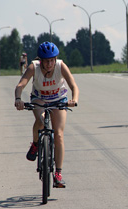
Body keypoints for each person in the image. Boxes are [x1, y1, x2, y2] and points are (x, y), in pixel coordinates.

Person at [14, 41, 79, 188]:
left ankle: (58, 174)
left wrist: (74, 100)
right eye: (46, 61)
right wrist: (18, 99)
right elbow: (20, 85)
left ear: (55, 59)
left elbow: (74, 86)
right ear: (40, 60)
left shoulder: (61, 66)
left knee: (59, 134)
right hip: (39, 99)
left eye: (51, 60)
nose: (49, 64)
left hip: (59, 100)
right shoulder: (33, 67)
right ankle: (36, 144)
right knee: (41, 121)